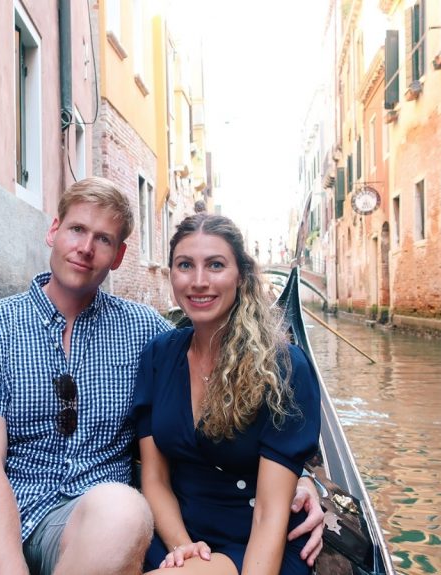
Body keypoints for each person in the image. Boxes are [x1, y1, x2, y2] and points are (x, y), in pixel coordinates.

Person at [0, 178, 323, 575]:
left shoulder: (146, 334)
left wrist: (301, 479)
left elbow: (230, 419)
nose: (85, 247)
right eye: (76, 229)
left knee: (122, 509)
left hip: (89, 523)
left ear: (119, 256)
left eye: (103, 239)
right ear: (54, 231)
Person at [132, 213, 321, 575]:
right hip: (177, 536)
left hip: (256, 542)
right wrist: (183, 549)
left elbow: (269, 514)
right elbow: (153, 478)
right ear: (171, 273)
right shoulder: (158, 355)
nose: (199, 281)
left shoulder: (283, 366)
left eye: (215, 265)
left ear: (241, 276)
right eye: (185, 265)